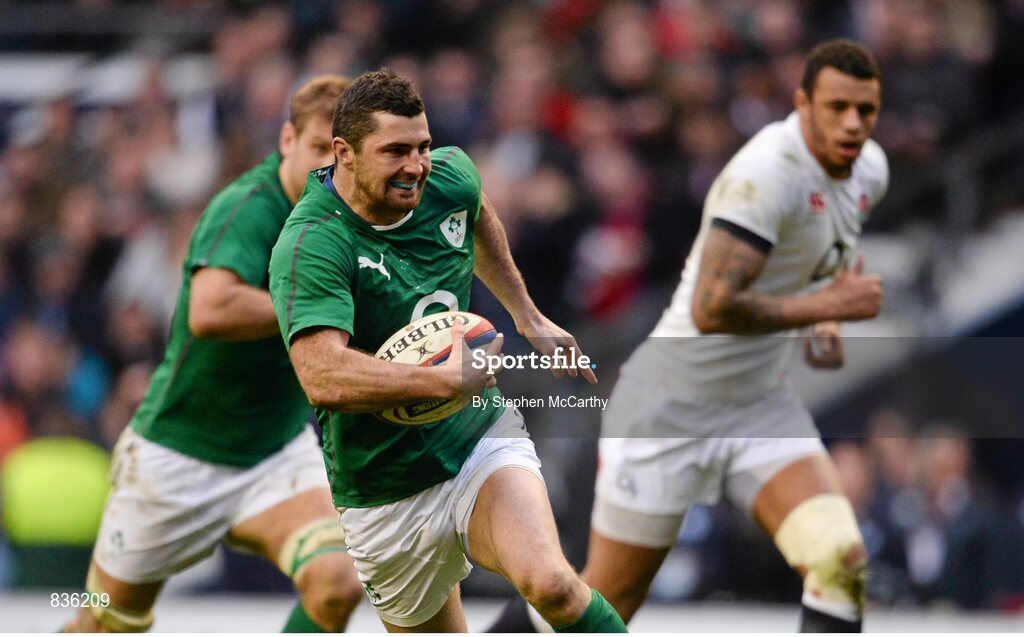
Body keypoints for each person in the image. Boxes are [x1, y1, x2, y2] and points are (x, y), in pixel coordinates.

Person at [488, 38, 887, 633]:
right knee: (606, 596)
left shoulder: (869, 169)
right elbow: (710, 307)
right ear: (802, 105)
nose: (853, 123)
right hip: (671, 404)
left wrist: (822, 315)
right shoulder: (764, 174)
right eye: (837, 108)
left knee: (840, 560)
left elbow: (817, 250)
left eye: (866, 108)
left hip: (757, 402)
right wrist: (825, 305)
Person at [267, 68, 628, 633]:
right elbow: (323, 376)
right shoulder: (312, 243)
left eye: (422, 146)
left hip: (474, 441)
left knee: (552, 584)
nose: (415, 166)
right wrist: (444, 382)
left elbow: (476, 210)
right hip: (382, 490)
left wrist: (526, 315)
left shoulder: (448, 174)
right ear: (344, 153)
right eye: (394, 151)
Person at [65, 75, 364, 633]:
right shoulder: (248, 207)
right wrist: (316, 309)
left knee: (337, 583)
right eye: (320, 149)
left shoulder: (360, 222)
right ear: (286, 141)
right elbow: (210, 308)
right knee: (103, 622)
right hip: (176, 456)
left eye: (344, 155)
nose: (331, 168)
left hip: (274, 454)